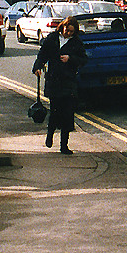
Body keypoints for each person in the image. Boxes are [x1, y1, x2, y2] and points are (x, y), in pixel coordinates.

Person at [32, 16, 88, 154]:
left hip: (68, 81)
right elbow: (42, 55)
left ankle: (64, 146)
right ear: (62, 27)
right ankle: (50, 135)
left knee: (68, 114)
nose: (68, 33)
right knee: (55, 111)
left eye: (71, 32)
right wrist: (37, 67)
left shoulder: (76, 42)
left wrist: (70, 58)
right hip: (54, 80)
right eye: (67, 30)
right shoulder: (52, 38)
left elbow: (83, 59)